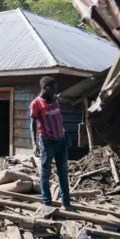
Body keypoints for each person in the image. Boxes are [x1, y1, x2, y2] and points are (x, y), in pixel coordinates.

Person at [30, 76, 73, 211]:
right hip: (47, 142)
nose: (55, 90)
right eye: (52, 88)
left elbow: (59, 119)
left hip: (60, 140)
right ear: (44, 88)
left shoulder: (55, 100)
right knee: (45, 172)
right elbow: (32, 124)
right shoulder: (36, 104)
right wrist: (34, 143)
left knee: (63, 172)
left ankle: (66, 203)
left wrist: (66, 134)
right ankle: (47, 202)